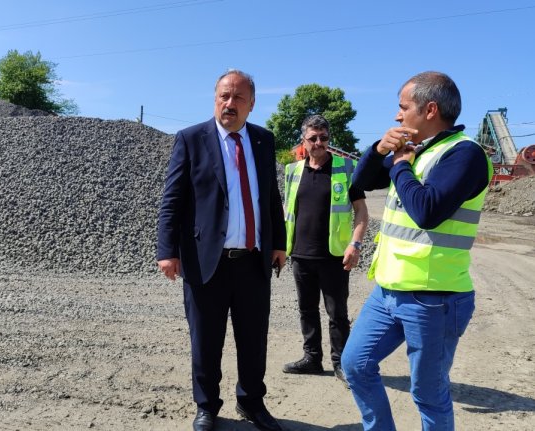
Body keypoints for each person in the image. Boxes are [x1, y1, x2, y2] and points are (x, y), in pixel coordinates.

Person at [341, 71, 493, 431]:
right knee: (356, 364)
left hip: (435, 298)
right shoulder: (416, 151)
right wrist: (379, 150)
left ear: (430, 110)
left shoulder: (465, 154)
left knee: (428, 393)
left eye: (402, 107)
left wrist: (400, 166)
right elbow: (359, 183)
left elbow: (427, 211)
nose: (397, 115)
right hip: (388, 291)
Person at [157, 69, 286, 431]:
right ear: (215, 98)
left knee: (253, 339)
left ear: (252, 104)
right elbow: (173, 200)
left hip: (253, 262)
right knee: (206, 341)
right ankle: (207, 406)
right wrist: (167, 250)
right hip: (205, 261)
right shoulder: (191, 139)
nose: (229, 104)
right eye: (223, 96)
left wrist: (278, 243)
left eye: (238, 98)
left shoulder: (263, 140)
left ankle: (251, 402)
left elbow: (269, 196)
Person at [281, 115, 368, 388]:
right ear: (303, 141)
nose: (319, 143)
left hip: (334, 256)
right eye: (313, 138)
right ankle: (312, 358)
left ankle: (341, 362)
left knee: (337, 314)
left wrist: (355, 244)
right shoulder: (292, 171)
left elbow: (362, 213)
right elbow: (288, 212)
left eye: (324, 138)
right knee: (307, 310)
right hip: (301, 255)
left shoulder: (345, 168)